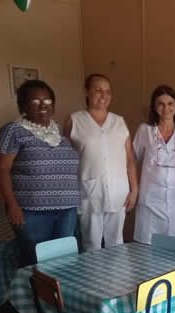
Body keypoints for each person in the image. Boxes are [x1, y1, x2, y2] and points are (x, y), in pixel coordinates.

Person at [0, 80, 80, 266]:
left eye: (47, 101)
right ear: (23, 105)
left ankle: (57, 288)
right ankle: (29, 287)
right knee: (36, 263)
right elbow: (1, 169)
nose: (42, 106)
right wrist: (12, 205)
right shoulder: (13, 130)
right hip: (31, 212)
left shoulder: (59, 130)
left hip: (67, 210)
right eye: (35, 101)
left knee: (64, 263)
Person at [64, 73, 138, 251]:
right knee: (91, 244)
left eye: (108, 91)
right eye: (98, 90)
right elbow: (65, 161)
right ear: (86, 92)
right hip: (89, 192)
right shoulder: (75, 120)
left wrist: (134, 190)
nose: (104, 95)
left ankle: (117, 271)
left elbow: (129, 158)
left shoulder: (119, 121)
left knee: (116, 242)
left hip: (118, 191)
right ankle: (93, 271)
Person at [132, 85, 175, 244]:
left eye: (170, 103)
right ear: (154, 106)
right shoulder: (145, 130)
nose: (166, 108)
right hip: (151, 199)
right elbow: (132, 159)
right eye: (161, 104)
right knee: (148, 245)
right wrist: (133, 189)